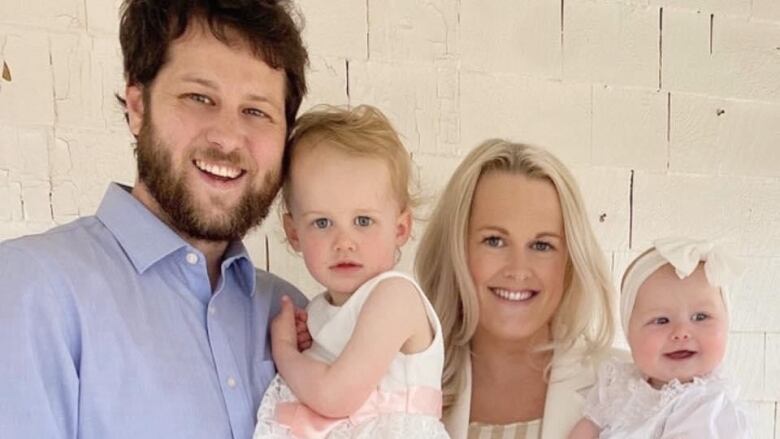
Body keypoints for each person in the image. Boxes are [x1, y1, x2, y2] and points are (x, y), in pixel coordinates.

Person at [0, 1, 308, 438]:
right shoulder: (29, 291)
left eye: (256, 111)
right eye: (199, 98)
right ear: (138, 107)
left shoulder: (296, 314)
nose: (226, 137)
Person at [253, 105, 450, 438]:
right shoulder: (320, 310)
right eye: (322, 222)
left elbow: (333, 397)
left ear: (400, 228)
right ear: (294, 232)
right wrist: (310, 348)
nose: (344, 242)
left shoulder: (395, 297)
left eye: (363, 221)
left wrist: (285, 349)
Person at [415, 139, 618, 439]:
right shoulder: (399, 380)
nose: (518, 269)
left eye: (542, 245)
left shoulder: (628, 387)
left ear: (570, 260)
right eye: (494, 241)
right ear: (456, 248)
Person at [568, 237, 750, 438]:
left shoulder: (708, 406)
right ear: (630, 333)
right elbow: (588, 427)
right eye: (661, 320)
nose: (681, 332)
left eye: (700, 317)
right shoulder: (621, 385)